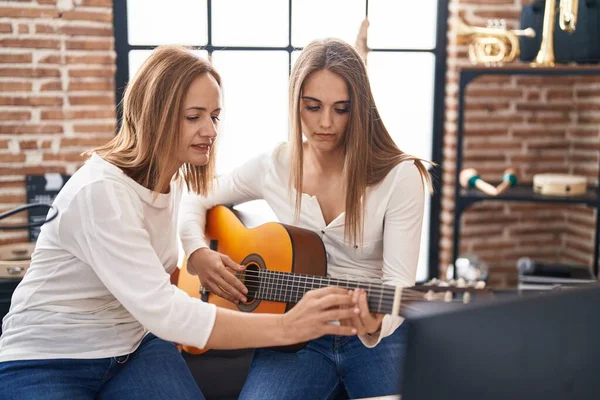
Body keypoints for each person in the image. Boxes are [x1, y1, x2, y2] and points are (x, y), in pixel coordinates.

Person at [0, 45, 361, 400]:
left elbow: (160, 278)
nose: (211, 130)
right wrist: (288, 327)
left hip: (134, 346)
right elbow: (164, 310)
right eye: (194, 117)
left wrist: (198, 254)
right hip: (48, 357)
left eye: (214, 116)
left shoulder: (169, 181)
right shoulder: (101, 192)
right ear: (155, 115)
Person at [178, 38, 433, 399]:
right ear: (295, 104)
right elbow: (194, 196)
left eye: (341, 109)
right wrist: (196, 252)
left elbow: (398, 283)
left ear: (359, 109)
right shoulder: (275, 165)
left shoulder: (401, 177)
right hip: (293, 335)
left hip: (376, 339)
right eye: (313, 107)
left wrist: (375, 321)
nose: (325, 122)